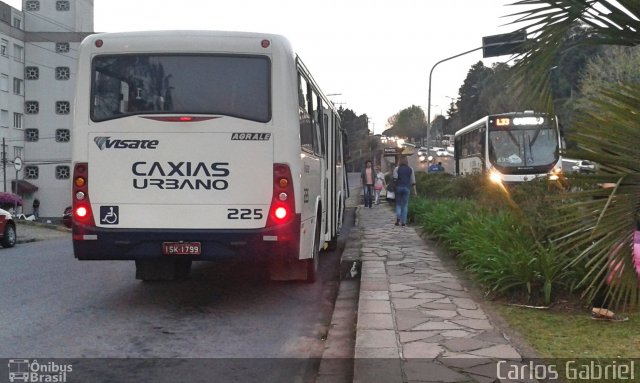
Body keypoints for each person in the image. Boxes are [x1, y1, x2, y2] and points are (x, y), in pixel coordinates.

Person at [393, 156, 416, 227]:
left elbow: (395, 179)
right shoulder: (410, 169)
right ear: (407, 161)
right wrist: (415, 191)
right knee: (405, 205)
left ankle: (398, 218)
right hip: (407, 188)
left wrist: (393, 188)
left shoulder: (397, 168)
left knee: (398, 204)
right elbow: (413, 181)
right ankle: (403, 222)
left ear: (399, 161)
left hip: (398, 188)